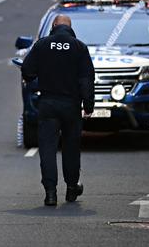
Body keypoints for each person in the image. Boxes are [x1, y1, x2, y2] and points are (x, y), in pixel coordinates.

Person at [21, 15, 95, 206]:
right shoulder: (79, 47)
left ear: (54, 26)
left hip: (48, 103)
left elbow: (27, 71)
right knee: (71, 148)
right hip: (71, 105)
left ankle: (50, 193)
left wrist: (39, 80)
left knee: (47, 149)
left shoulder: (41, 45)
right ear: (70, 27)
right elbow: (86, 80)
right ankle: (71, 188)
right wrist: (88, 105)